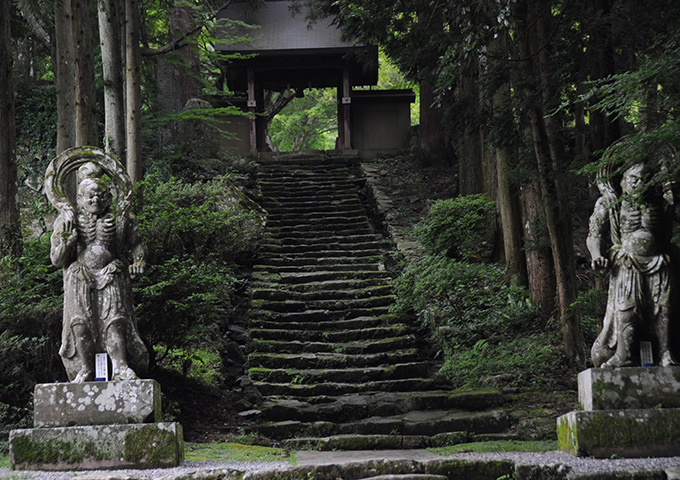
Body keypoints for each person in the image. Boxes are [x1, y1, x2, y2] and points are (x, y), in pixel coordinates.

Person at [50, 162, 148, 382]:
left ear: (109, 198)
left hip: (111, 273)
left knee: (115, 320)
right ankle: (85, 368)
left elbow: (137, 244)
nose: (95, 200)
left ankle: (120, 367)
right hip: (79, 276)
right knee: (79, 322)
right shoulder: (67, 221)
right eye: (90, 196)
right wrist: (66, 244)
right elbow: (56, 260)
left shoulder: (122, 220)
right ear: (80, 199)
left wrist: (138, 261)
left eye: (100, 195)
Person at [588, 162, 680, 368]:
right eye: (634, 179)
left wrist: (671, 191)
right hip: (627, 261)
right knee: (626, 307)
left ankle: (666, 352)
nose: (640, 184)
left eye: (646, 179)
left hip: (660, 261)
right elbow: (593, 235)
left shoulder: (662, 203)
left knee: (665, 308)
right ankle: (624, 353)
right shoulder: (611, 203)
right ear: (623, 181)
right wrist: (596, 255)